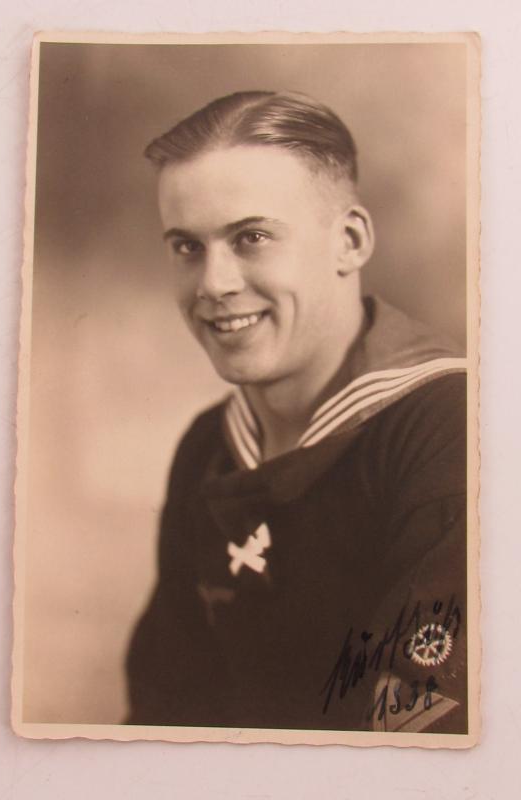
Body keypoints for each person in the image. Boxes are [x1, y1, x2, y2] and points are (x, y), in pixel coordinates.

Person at [125, 91, 468, 733]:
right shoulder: (207, 446)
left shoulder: (453, 433)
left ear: (350, 241)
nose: (214, 284)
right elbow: (162, 711)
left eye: (251, 238)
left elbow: (427, 742)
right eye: (187, 247)